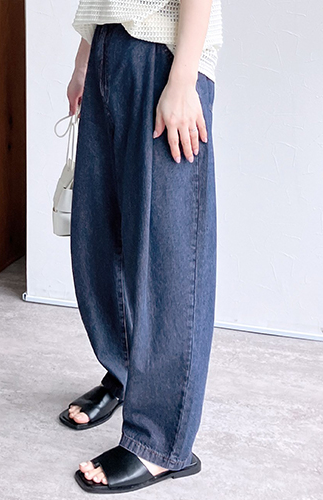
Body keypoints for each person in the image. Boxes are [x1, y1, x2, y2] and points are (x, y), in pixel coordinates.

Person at [60, 0, 223, 493]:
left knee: (167, 257)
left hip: (164, 54)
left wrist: (183, 79)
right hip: (109, 48)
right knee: (98, 239)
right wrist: (85, 59)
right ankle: (126, 374)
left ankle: (160, 442)